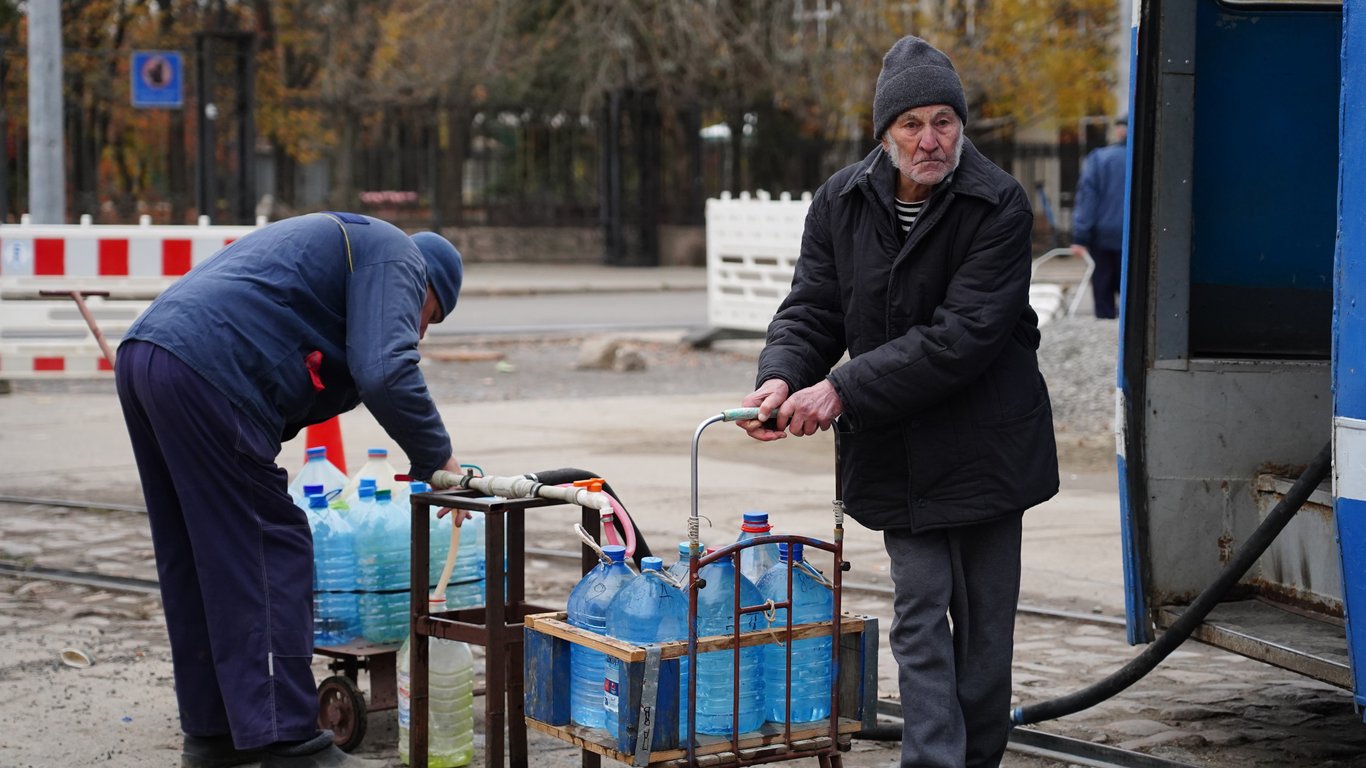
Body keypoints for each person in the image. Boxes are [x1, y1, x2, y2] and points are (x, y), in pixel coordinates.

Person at [736, 36, 1059, 768]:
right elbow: (813, 308)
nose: (930, 139)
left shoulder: (999, 204)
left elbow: (962, 337)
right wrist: (783, 374)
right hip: (897, 452)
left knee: (982, 642)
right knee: (918, 615)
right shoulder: (842, 200)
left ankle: (975, 759)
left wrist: (842, 389)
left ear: (961, 126)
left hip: (986, 452)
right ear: (884, 134)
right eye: (911, 124)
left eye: (944, 120)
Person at [114, 212, 467, 768]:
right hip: (205, 365)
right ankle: (293, 745)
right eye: (430, 317)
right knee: (270, 547)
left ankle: (214, 740)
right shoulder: (398, 255)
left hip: (147, 354)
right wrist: (437, 459)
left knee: (199, 559)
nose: (420, 330)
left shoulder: (351, 255)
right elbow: (387, 371)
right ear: (428, 287)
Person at [1070, 116, 1128, 318]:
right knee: (1133, 295)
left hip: (1102, 237)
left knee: (1103, 297)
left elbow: (1087, 198)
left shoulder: (1100, 158)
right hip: (1134, 238)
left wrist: (1080, 236)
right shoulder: (1148, 159)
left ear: (1120, 131)